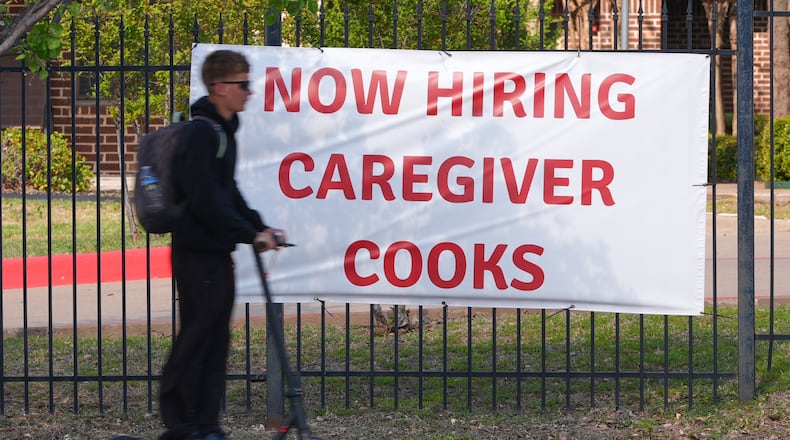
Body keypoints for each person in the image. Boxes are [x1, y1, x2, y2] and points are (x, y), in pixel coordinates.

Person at [158, 49, 285, 440]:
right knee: (199, 334)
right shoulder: (201, 133)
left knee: (215, 337)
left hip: (215, 252)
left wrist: (260, 227)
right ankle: (182, 423)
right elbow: (205, 199)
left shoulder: (223, 132)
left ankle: (205, 423)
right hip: (197, 254)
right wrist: (249, 234)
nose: (249, 92)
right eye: (242, 84)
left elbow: (228, 192)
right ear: (218, 87)